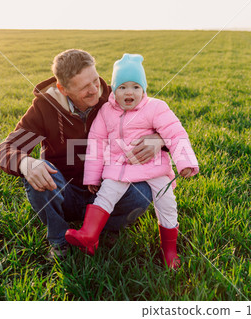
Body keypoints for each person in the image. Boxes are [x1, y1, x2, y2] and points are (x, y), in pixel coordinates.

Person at [0, 49, 166, 259]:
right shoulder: (45, 107)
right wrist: (25, 163)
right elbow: (8, 148)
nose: (95, 90)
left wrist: (159, 139)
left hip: (108, 190)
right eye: (85, 87)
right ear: (63, 88)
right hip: (66, 193)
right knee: (36, 174)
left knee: (143, 190)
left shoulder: (115, 96)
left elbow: (162, 120)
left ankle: (107, 229)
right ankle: (59, 241)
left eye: (95, 80)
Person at [65, 53, 199, 268]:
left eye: (136, 87)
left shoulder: (156, 107)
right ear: (113, 90)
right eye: (123, 87)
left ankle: (170, 251)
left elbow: (175, 133)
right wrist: (92, 175)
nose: (130, 92)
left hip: (155, 168)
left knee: (167, 204)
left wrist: (185, 162)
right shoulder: (106, 112)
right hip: (118, 167)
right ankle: (89, 236)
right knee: (105, 195)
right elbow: (96, 144)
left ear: (143, 89)